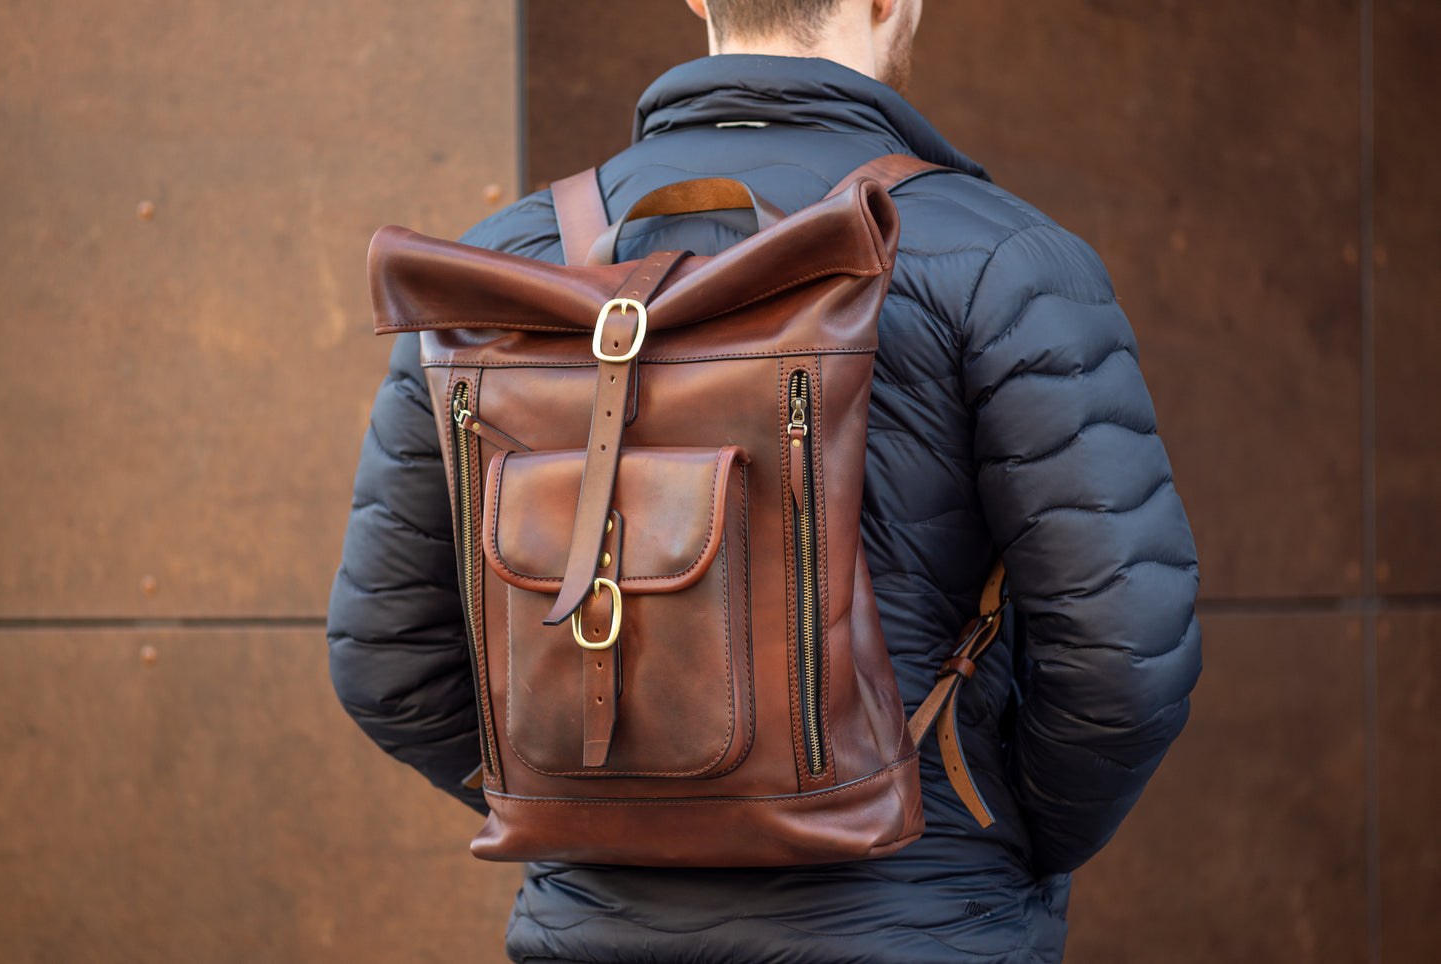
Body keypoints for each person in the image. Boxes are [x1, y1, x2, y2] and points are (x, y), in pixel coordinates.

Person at [327, 1, 1202, 960]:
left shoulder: (493, 267)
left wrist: (597, 804)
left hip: (591, 932)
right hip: (918, 921)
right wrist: (991, 836)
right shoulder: (1005, 262)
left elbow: (386, 656)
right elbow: (1122, 655)